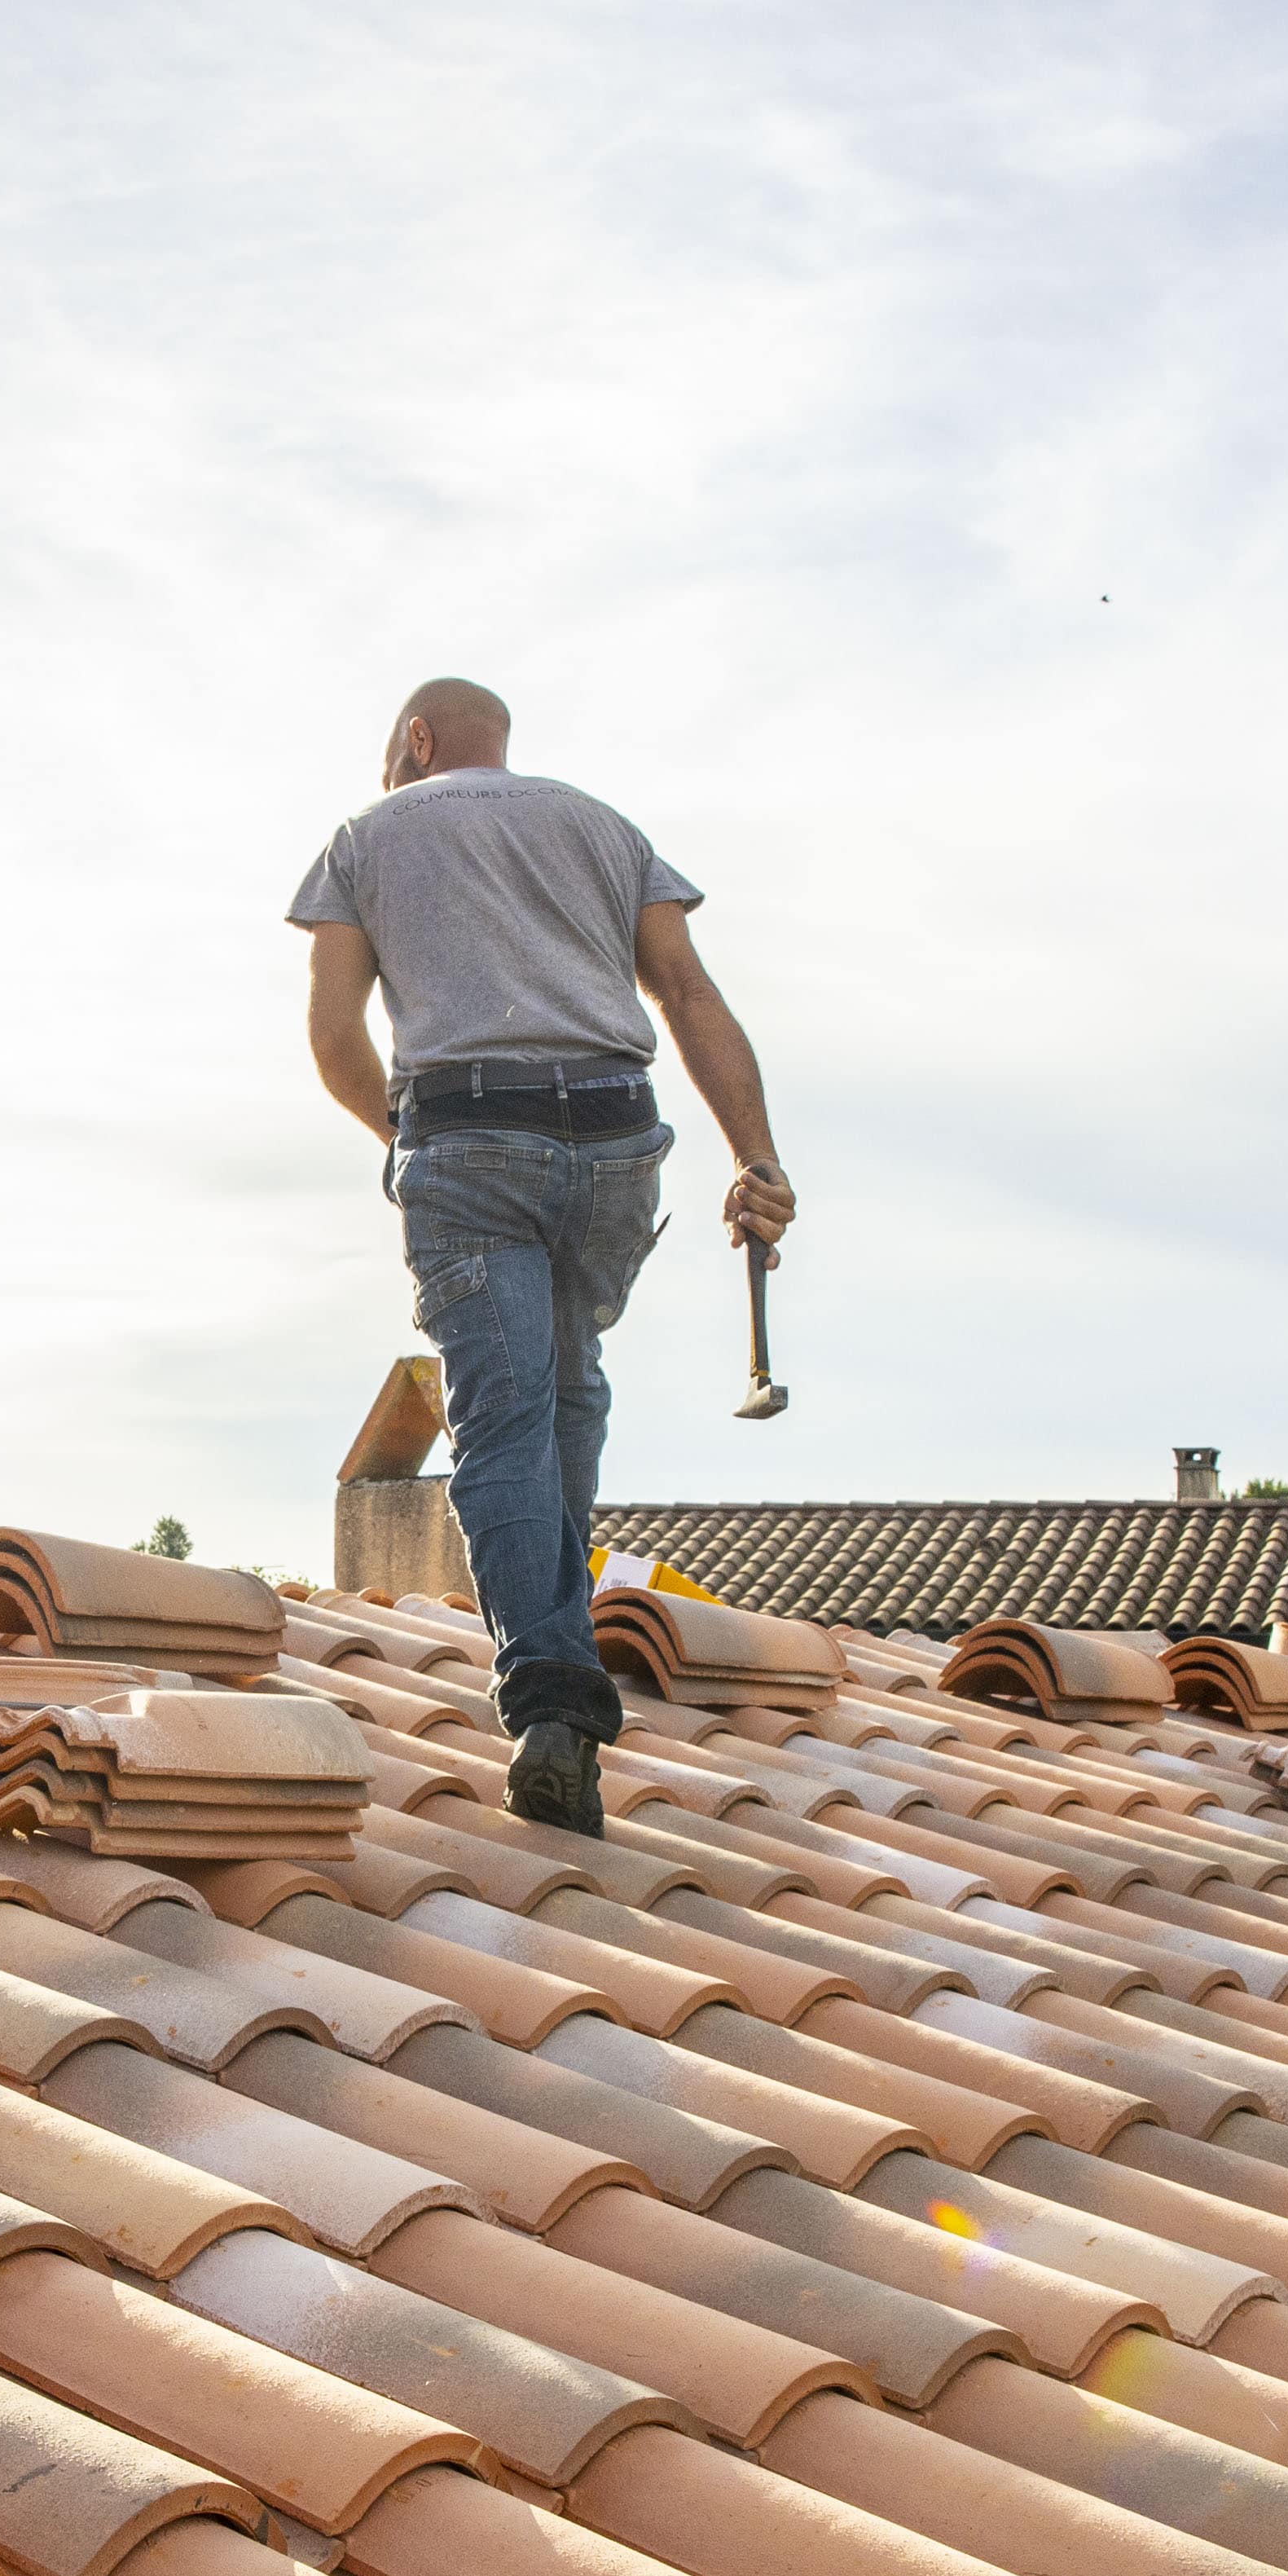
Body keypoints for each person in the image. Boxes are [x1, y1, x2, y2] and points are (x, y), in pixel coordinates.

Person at [293, 675, 789, 1835]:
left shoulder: (365, 838)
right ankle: (562, 1659)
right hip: (617, 1140)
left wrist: (407, 1141)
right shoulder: (606, 829)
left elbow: (331, 1035)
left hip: (469, 1134)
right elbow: (687, 993)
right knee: (565, 1390)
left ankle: (552, 1703)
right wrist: (756, 1157)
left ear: (416, 739)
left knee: (505, 1418)